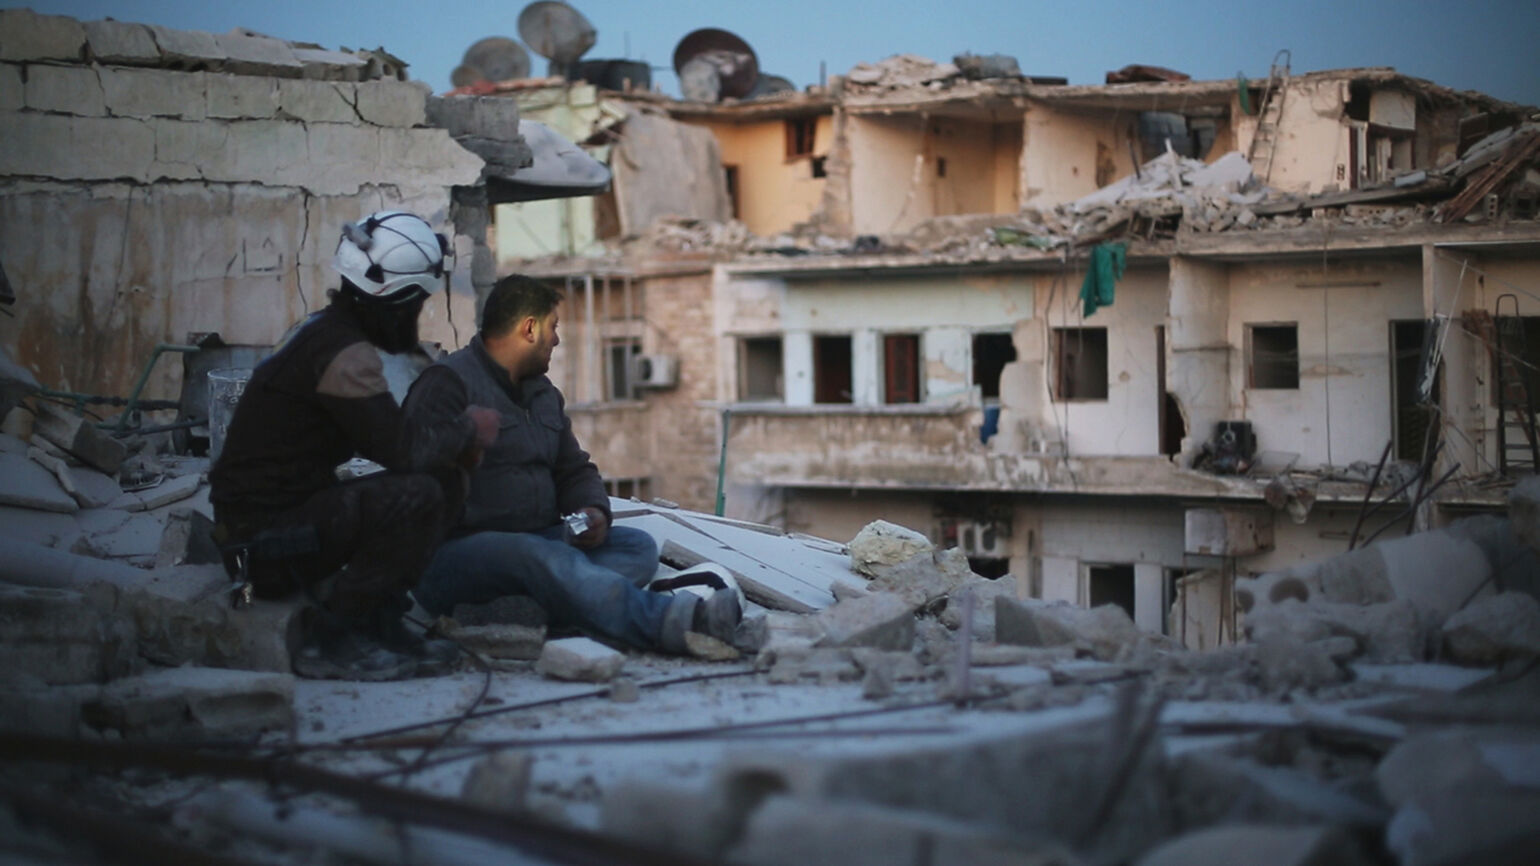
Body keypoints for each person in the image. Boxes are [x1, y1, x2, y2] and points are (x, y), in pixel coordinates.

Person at [210, 210, 496, 681]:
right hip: (261, 543)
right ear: (396, 300)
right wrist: (469, 429)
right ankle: (335, 638)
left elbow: (392, 436)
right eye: (415, 304)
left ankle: (380, 619)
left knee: (440, 479)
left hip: (270, 526)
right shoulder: (344, 354)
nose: (415, 315)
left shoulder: (324, 332)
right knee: (419, 492)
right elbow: (402, 452)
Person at [403, 273, 741, 654]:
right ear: (529, 328)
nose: (557, 340)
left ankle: (528, 610)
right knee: (543, 557)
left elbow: (573, 469)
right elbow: (413, 467)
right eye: (553, 327)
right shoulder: (447, 383)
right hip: (455, 554)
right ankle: (676, 623)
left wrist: (592, 510)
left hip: (539, 544)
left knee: (636, 548)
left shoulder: (545, 395)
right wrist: (466, 437)